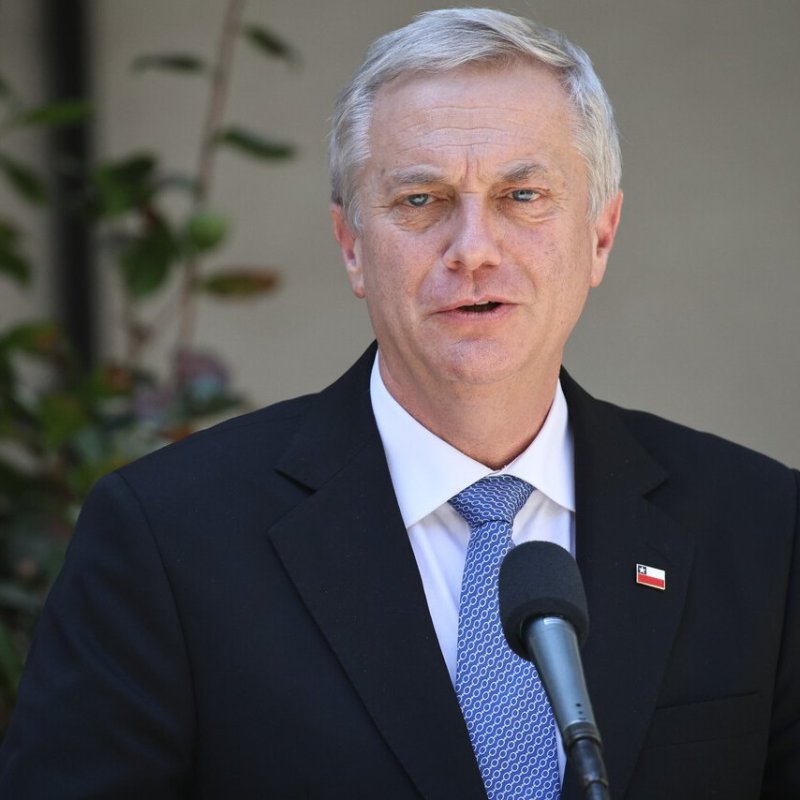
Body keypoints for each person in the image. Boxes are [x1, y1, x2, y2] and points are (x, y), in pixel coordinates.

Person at [0, 8, 797, 799]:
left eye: (522, 194)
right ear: (351, 245)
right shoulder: (167, 542)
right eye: (420, 200)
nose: (473, 249)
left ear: (600, 235)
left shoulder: (762, 528)